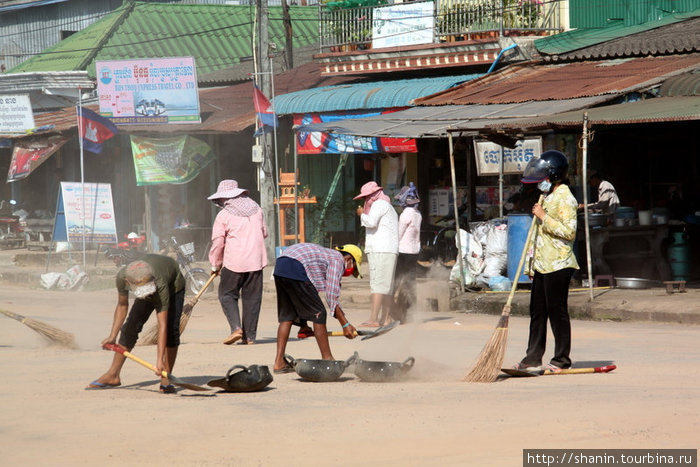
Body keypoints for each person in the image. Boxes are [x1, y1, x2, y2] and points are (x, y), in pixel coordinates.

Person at [515, 150, 580, 372]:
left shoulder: (565, 198)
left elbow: (569, 232)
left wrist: (544, 216)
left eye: (543, 177)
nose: (539, 182)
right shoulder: (548, 196)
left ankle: (561, 359)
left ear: (553, 175)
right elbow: (537, 235)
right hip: (543, 264)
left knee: (557, 311)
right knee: (537, 311)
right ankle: (532, 357)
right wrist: (530, 265)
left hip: (559, 264)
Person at [85, 255, 185, 393]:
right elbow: (122, 305)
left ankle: (165, 375)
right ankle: (113, 375)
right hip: (148, 281)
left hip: (173, 286)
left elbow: (162, 325)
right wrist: (112, 336)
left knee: (171, 330)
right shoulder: (122, 276)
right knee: (130, 327)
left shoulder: (159, 283)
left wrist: (159, 361)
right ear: (128, 281)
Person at [272, 243, 363, 373]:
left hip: (281, 265)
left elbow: (305, 296)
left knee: (288, 316)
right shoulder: (337, 259)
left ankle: (279, 362)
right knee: (319, 312)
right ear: (348, 259)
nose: (349, 273)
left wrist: (303, 325)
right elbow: (331, 295)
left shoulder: (324, 255)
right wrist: (345, 324)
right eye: (353, 269)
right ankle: (328, 360)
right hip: (296, 265)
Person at [208, 179, 268, 346]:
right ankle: (249, 337)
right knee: (252, 299)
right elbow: (264, 233)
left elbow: (218, 242)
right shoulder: (257, 209)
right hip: (256, 261)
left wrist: (215, 264)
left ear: (225, 198)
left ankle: (236, 329)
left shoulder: (224, 215)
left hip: (234, 262)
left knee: (227, 295)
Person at [354, 181, 398, 327]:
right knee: (385, 286)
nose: (365, 200)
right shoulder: (387, 206)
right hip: (385, 249)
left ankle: (374, 319)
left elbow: (371, 222)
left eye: (366, 197)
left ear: (373, 195)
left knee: (378, 286)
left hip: (382, 249)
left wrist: (361, 214)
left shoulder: (379, 204)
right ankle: (386, 318)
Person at [391, 182, 422, 323]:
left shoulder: (405, 215)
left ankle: (396, 313)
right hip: (414, 251)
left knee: (396, 282)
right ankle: (408, 311)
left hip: (403, 251)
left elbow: (398, 234)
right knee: (410, 282)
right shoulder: (418, 214)